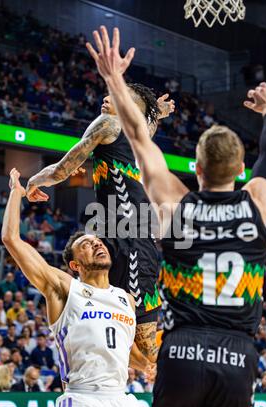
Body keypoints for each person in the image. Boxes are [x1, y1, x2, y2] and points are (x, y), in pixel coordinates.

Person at [87, 26, 266, 407]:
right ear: (240, 172)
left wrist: (113, 79)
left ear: (195, 169)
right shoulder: (258, 204)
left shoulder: (176, 206)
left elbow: (138, 137)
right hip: (236, 357)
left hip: (182, 354)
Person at [2, 168, 157, 407]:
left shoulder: (126, 298)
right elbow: (12, 240)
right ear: (75, 265)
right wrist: (16, 193)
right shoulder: (64, 287)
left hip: (123, 402)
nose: (96, 243)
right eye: (86, 244)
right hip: (83, 401)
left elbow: (124, 350)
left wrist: (147, 365)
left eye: (97, 241)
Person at [25, 77, 175, 338]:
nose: (105, 99)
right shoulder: (139, 133)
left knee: (141, 340)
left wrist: (33, 180)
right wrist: (156, 114)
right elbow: (146, 123)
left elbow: (62, 170)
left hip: (128, 236)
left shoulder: (108, 124)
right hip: (126, 234)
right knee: (122, 331)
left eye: (114, 96)